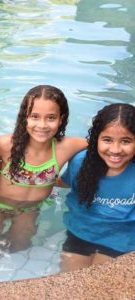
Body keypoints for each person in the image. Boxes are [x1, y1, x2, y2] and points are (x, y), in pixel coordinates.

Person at [0, 85, 87, 260]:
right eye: (35, 117)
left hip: (30, 209)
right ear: (25, 118)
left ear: (62, 118)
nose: (42, 125)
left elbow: (102, 144)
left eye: (50, 118)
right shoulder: (6, 145)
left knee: (20, 247)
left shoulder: (66, 147)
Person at [58, 103, 135, 272]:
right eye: (107, 140)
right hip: (81, 232)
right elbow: (63, 182)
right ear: (96, 139)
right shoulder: (81, 162)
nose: (115, 150)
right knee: (68, 284)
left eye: (126, 141)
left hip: (123, 239)